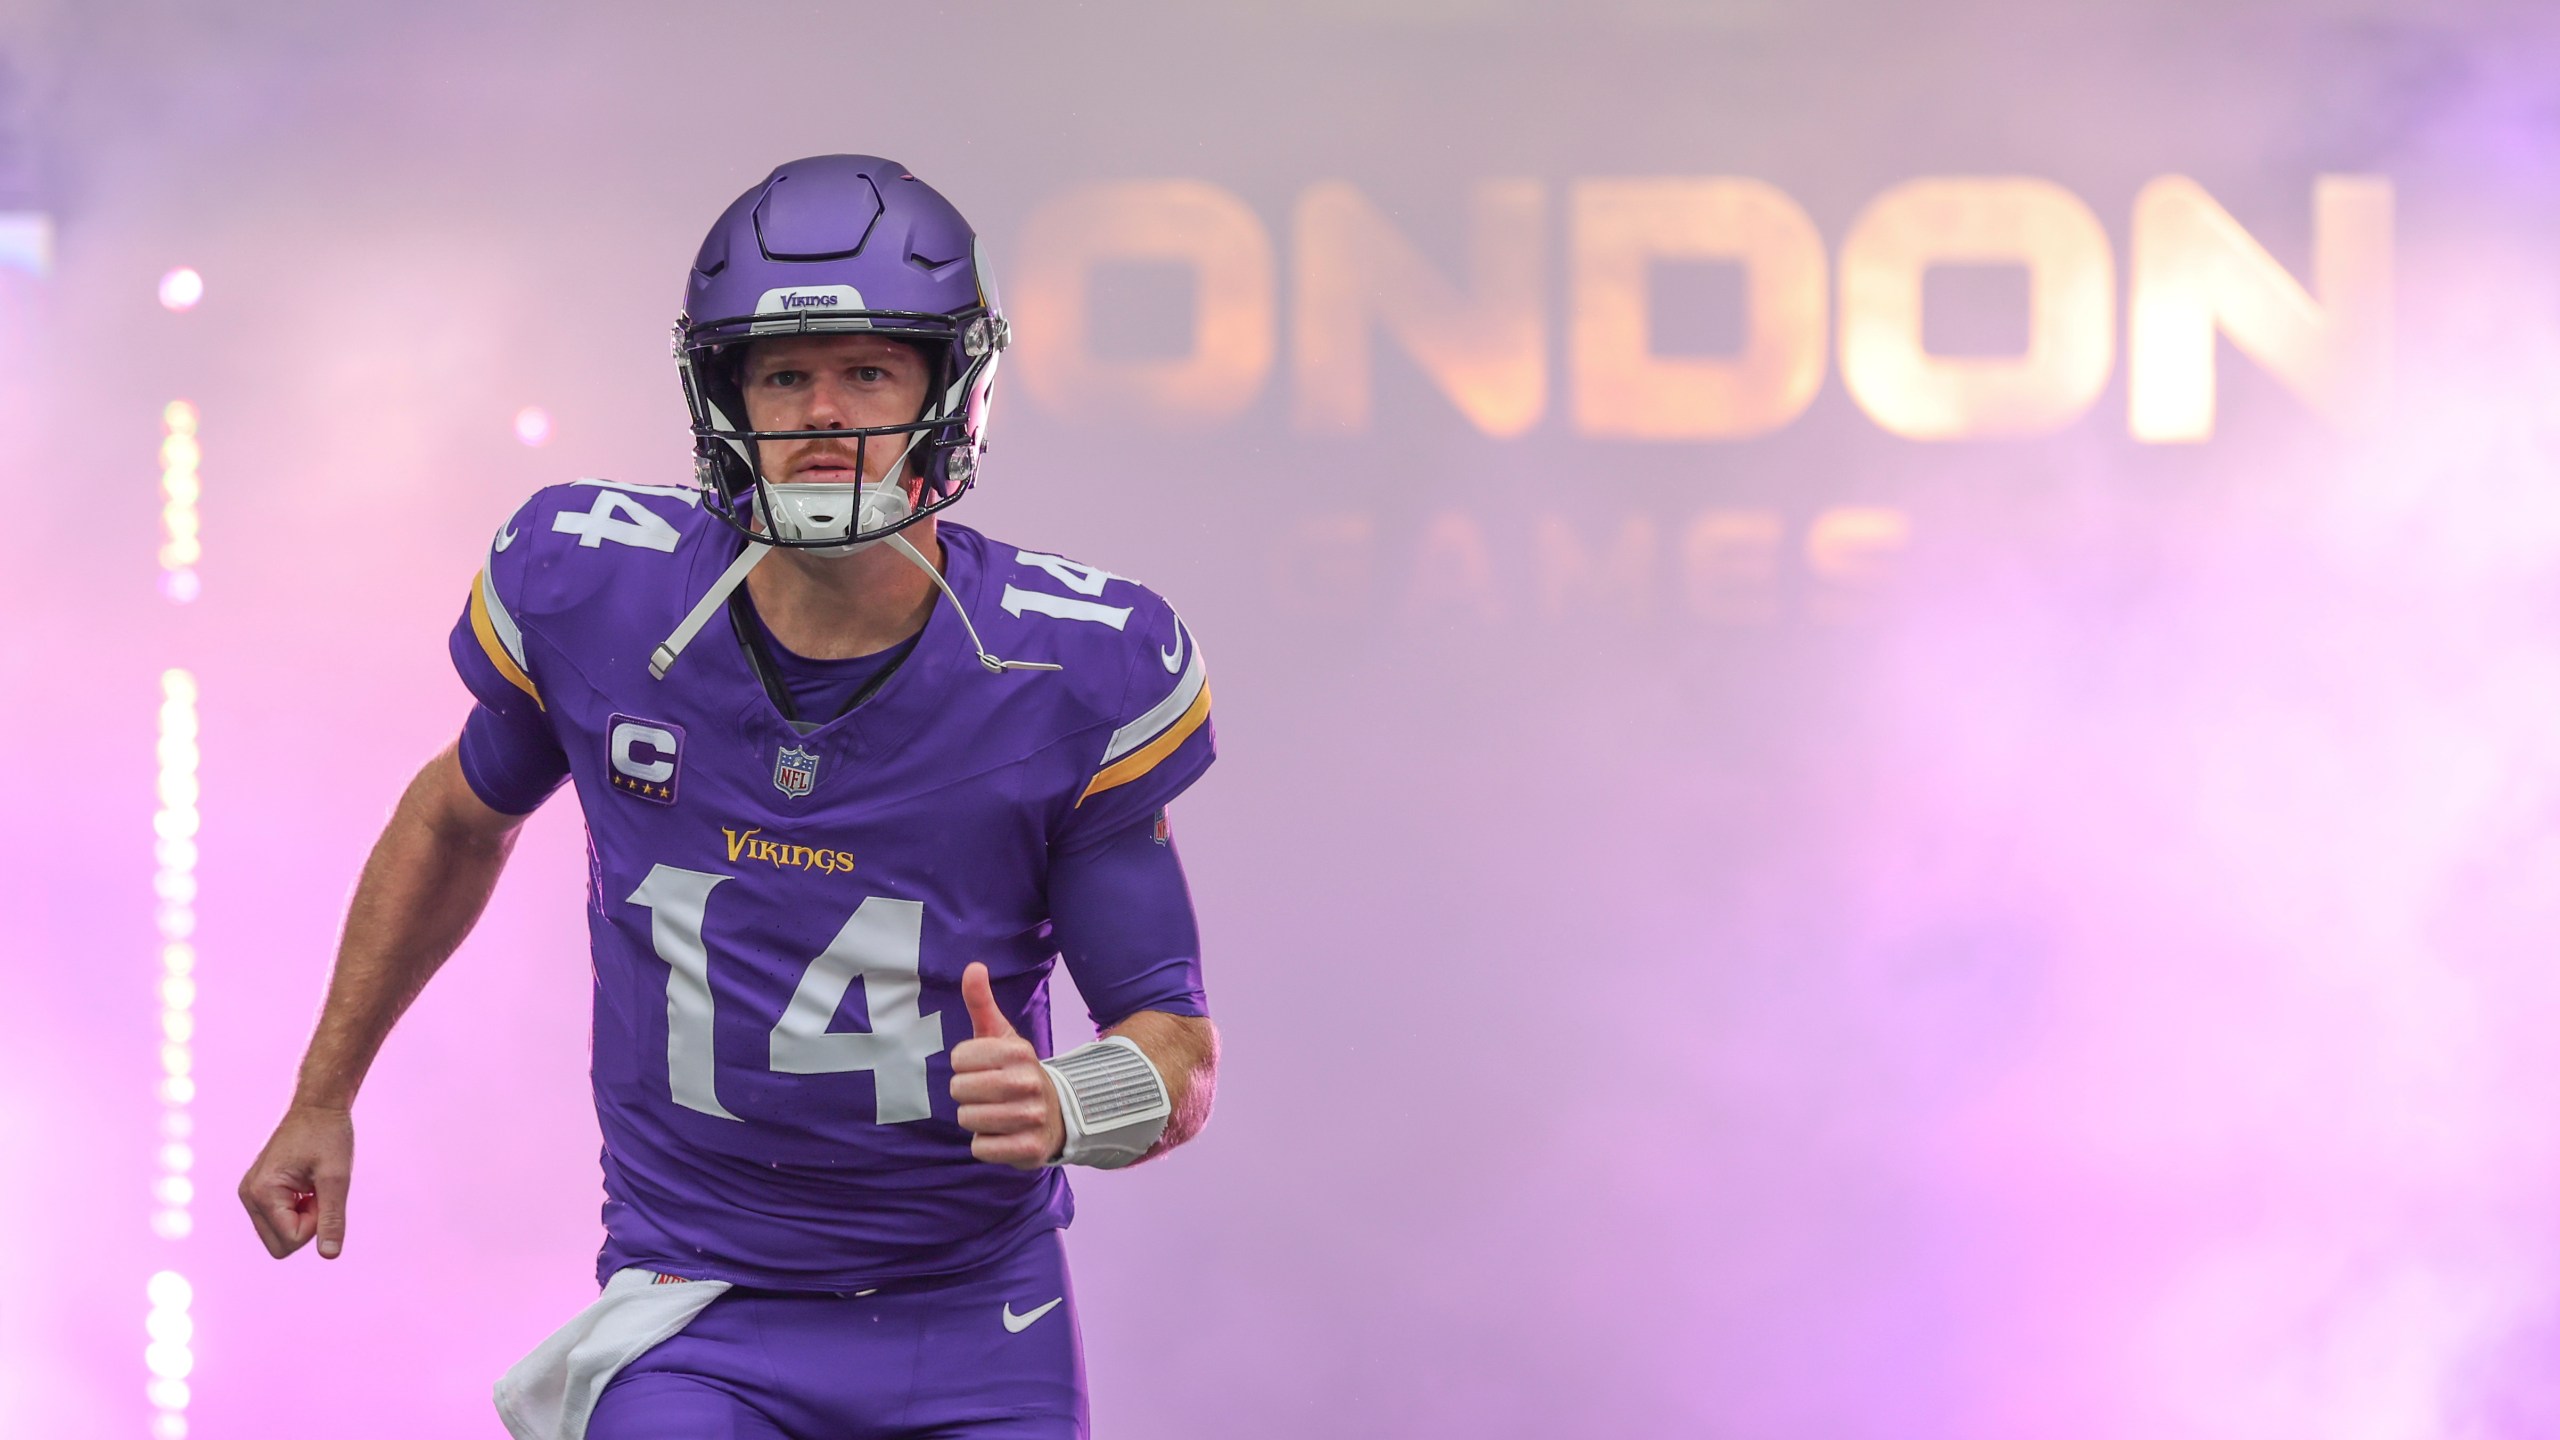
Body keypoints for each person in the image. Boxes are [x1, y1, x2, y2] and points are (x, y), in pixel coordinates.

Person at [236, 154, 1220, 1440]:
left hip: (973, 1313)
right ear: (724, 395)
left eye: (868, 370)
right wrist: (323, 1092)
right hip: (696, 1301)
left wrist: (1072, 1101)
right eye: (782, 373)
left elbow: (1178, 1046)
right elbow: (452, 820)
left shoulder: (1062, 673)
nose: (823, 411)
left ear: (951, 390)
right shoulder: (599, 595)